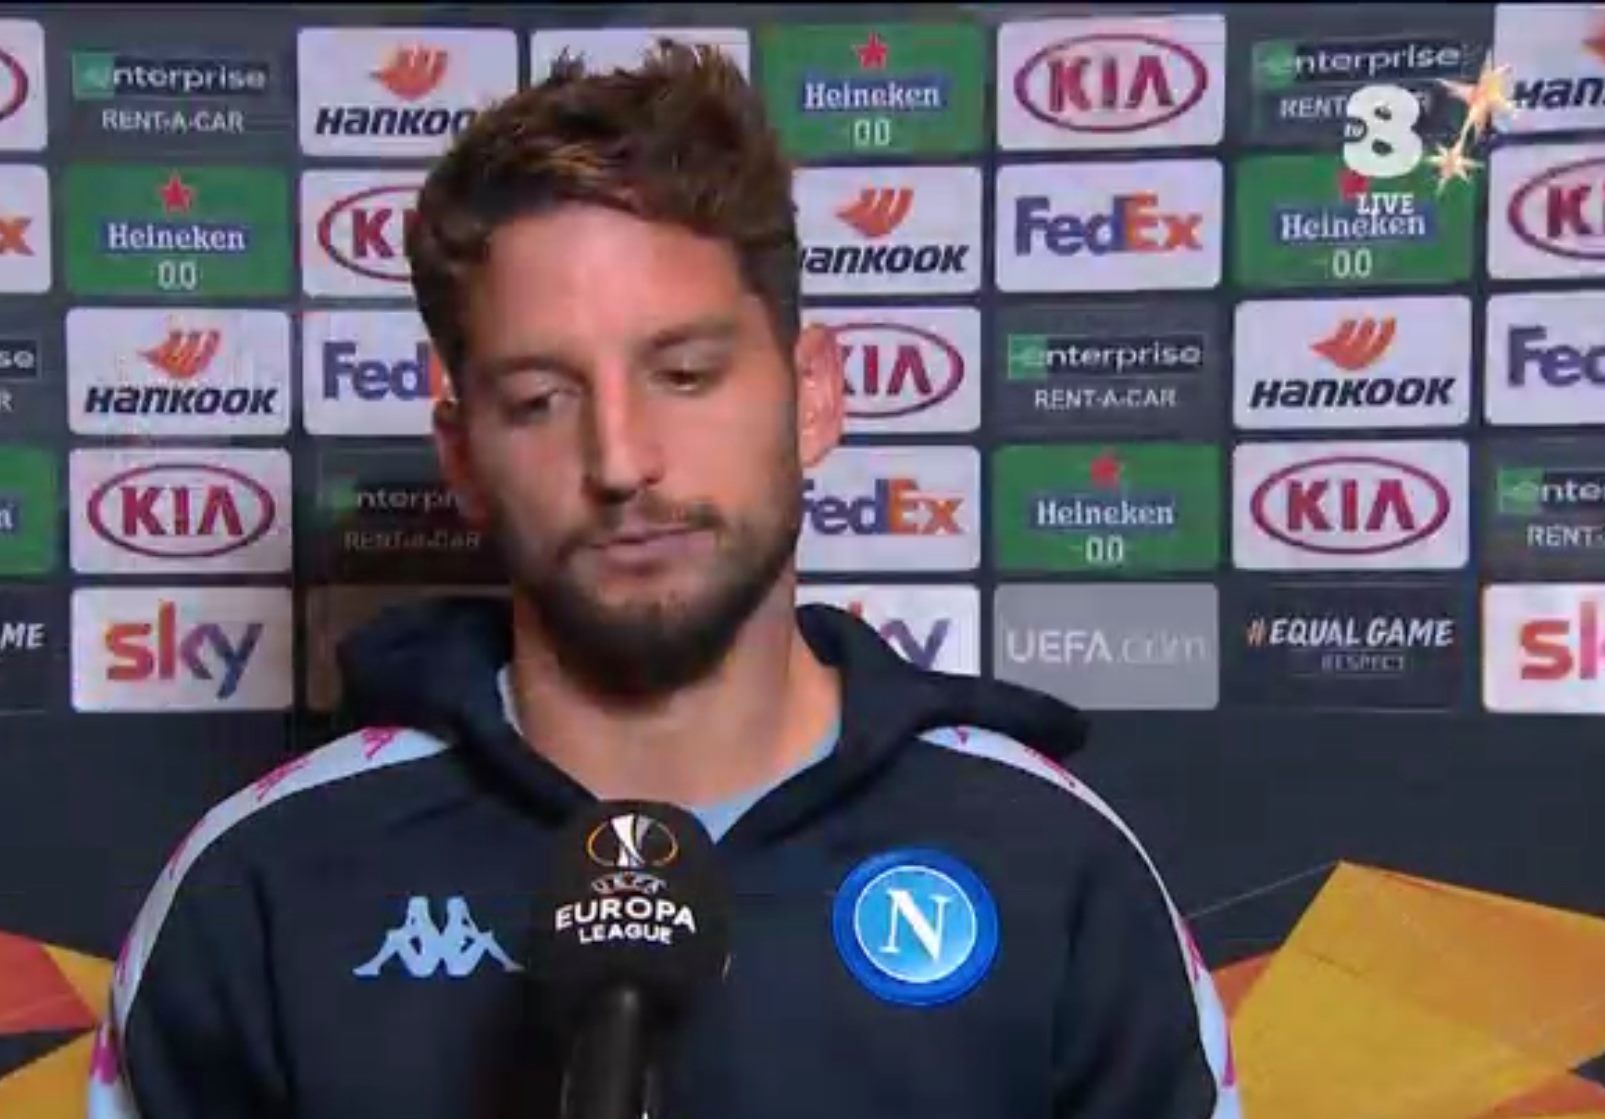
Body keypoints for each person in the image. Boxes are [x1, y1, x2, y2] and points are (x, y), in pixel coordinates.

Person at [87, 40, 1239, 1119]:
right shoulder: (266, 888)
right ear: (464, 458)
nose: (621, 460)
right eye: (541, 399)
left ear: (813, 396)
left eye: (684, 374)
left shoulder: (1056, 872)